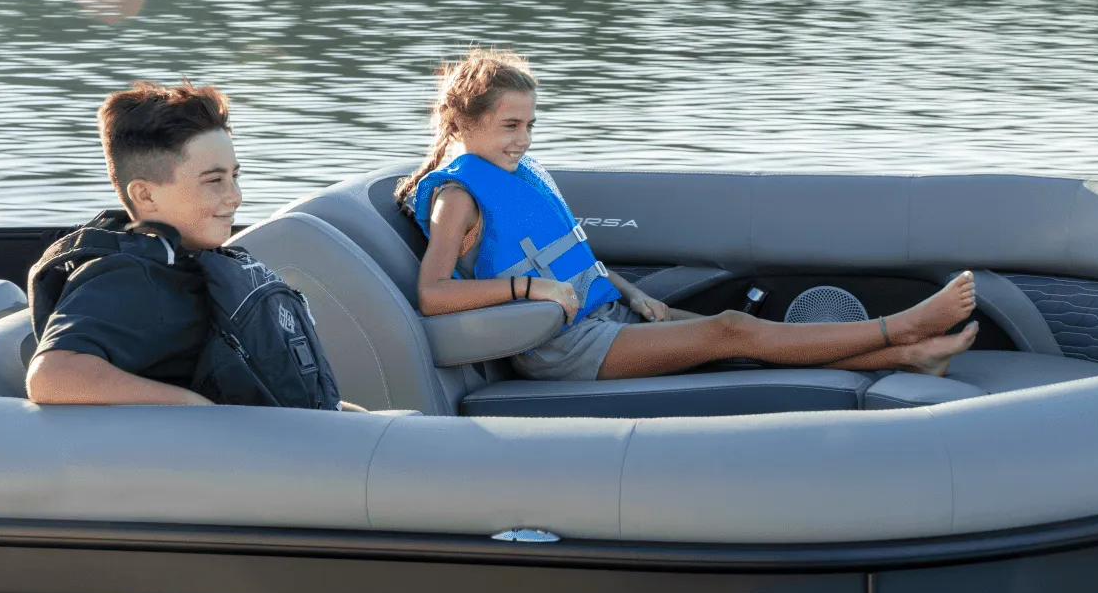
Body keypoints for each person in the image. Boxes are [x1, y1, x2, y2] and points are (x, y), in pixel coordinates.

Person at [399, 49, 979, 382]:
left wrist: (631, 292)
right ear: (464, 122)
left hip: (602, 317)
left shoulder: (513, 174)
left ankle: (907, 356)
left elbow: (567, 256)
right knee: (731, 328)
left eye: (530, 125)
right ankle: (900, 328)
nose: (524, 139)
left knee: (750, 341)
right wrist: (532, 289)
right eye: (510, 125)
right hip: (558, 347)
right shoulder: (459, 196)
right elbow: (433, 294)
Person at [26, 80, 358, 410]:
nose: (235, 197)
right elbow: (51, 376)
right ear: (146, 195)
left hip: (293, 430)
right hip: (250, 440)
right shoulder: (130, 277)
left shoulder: (199, 261)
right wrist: (195, 408)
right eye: (214, 180)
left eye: (234, 176)